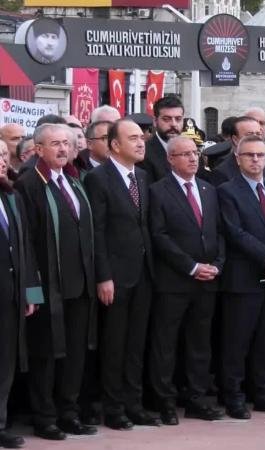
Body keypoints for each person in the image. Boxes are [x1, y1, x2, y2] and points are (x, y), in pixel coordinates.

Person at [14, 124, 98, 440]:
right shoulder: (28, 185)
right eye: (55, 144)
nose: (63, 149)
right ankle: (44, 416)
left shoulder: (75, 182)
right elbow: (27, 242)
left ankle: (69, 411)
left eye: (66, 143)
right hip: (49, 286)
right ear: (38, 149)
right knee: (46, 355)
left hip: (79, 285)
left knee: (76, 353)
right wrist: (32, 289)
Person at [83, 119, 159, 430]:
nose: (141, 143)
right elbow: (96, 232)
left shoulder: (141, 177)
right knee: (114, 345)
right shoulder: (98, 179)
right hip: (115, 276)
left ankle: (134, 403)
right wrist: (104, 276)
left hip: (143, 273)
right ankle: (113, 408)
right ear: (115, 145)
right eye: (133, 138)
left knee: (136, 344)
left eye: (142, 138)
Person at [148, 136, 225, 425]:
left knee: (199, 343)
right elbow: (160, 236)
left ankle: (196, 397)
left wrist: (217, 265)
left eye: (195, 153)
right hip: (175, 281)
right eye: (185, 154)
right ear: (170, 159)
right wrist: (191, 266)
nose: (193, 159)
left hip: (208, 280)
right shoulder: (158, 191)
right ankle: (165, 400)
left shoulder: (208, 189)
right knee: (166, 343)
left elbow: (218, 231)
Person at [217, 135, 265, 419]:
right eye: (249, 155)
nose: (255, 160)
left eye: (260, 155)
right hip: (242, 278)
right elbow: (235, 233)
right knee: (236, 341)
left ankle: (263, 393)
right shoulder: (227, 191)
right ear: (238, 158)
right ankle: (232, 395)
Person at [0, 151, 42, 450]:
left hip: (12, 295)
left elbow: (26, 247)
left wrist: (32, 293)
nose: (2, 161)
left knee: (5, 362)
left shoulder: (11, 196)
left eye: (3, 155)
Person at [213, 116, 265, 184]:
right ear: (235, 140)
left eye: (258, 134)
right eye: (250, 135)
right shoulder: (222, 172)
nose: (255, 139)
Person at [137, 96, 185, 182]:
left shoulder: (193, 153)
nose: (173, 124)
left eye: (178, 119)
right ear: (155, 121)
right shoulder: (143, 154)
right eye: (167, 119)